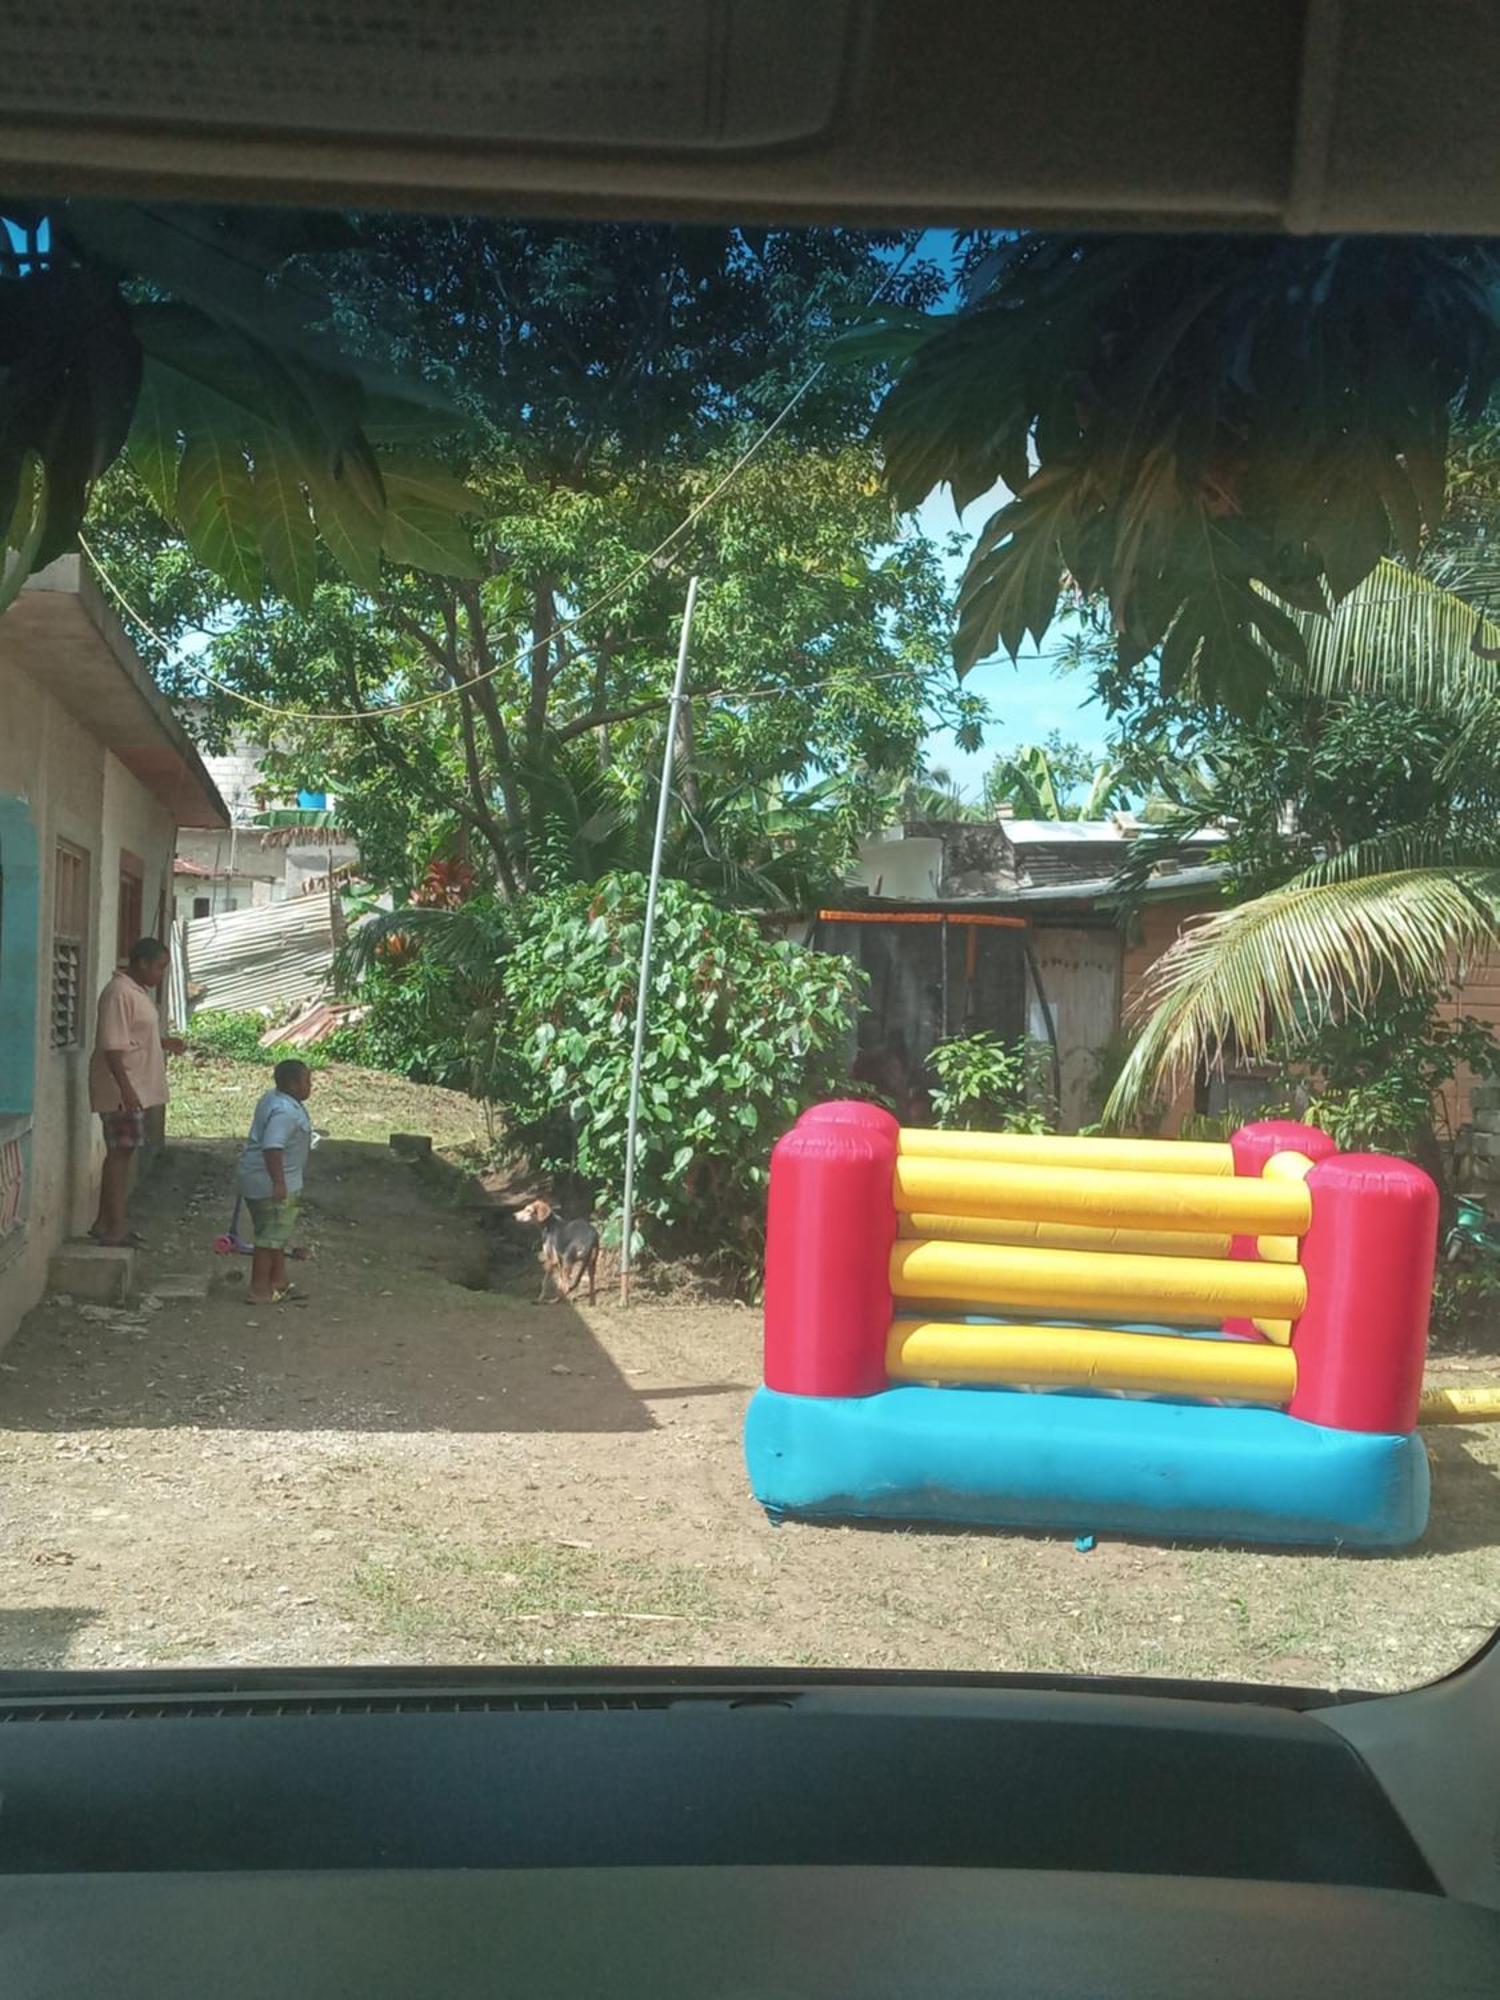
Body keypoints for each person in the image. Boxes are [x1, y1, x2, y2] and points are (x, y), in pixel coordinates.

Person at [88, 937, 185, 1248]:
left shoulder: (136, 993)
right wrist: (126, 1090)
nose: (160, 975)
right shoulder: (118, 993)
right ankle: (115, 1227)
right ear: (142, 963)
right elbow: (112, 1047)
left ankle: (106, 1222)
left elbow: (134, 1037)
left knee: (122, 1153)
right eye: (159, 967)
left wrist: (164, 1044)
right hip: (122, 1089)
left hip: (134, 1087)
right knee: (120, 1155)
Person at [238, 1059, 315, 1304]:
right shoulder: (284, 1112)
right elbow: (273, 1146)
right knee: (268, 1237)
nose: (310, 1086)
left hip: (262, 1179)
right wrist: (279, 1182)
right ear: (292, 1084)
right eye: (307, 1081)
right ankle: (259, 1288)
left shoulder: (273, 1098)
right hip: (272, 1183)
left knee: (275, 1234)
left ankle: (279, 1280)